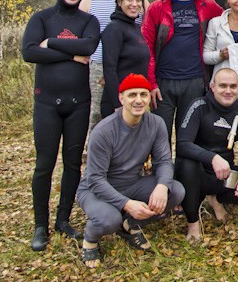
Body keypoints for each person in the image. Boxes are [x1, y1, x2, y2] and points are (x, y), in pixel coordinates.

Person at [22, 0, 101, 252]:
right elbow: (30, 52)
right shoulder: (42, 18)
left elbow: (89, 46)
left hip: (78, 104)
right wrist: (71, 54)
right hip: (46, 104)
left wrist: (52, 43)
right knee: (44, 164)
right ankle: (40, 225)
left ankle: (63, 220)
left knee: (72, 164)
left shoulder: (88, 20)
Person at [76, 74, 185, 267]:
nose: (138, 100)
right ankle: (90, 239)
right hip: (96, 190)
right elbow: (95, 180)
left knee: (175, 191)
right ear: (121, 98)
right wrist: (127, 204)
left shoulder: (156, 124)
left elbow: (164, 161)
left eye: (143, 94)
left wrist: (161, 186)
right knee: (109, 220)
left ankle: (131, 224)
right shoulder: (104, 131)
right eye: (132, 95)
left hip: (132, 183)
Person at [175, 68, 238, 242]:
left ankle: (215, 198)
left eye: (233, 86)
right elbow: (182, 145)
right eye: (222, 86)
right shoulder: (199, 106)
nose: (228, 91)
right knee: (187, 165)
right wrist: (212, 158)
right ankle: (193, 221)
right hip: (197, 174)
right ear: (212, 87)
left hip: (223, 176)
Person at [142, 0, 223, 147]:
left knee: (188, 140)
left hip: (194, 82)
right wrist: (151, 83)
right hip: (162, 84)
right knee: (159, 138)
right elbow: (146, 47)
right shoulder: (157, 8)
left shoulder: (207, 5)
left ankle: (184, 177)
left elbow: (233, 15)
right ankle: (162, 176)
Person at [80, 0, 149, 133]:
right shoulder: (90, 1)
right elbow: (76, 33)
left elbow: (148, 33)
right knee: (97, 115)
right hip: (99, 65)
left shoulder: (141, 5)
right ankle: (92, 153)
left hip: (130, 68)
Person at [100, 0, 150, 118]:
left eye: (138, 0)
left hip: (135, 102)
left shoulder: (135, 28)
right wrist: (118, 105)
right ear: (119, 2)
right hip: (119, 105)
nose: (134, 4)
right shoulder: (114, 28)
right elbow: (109, 68)